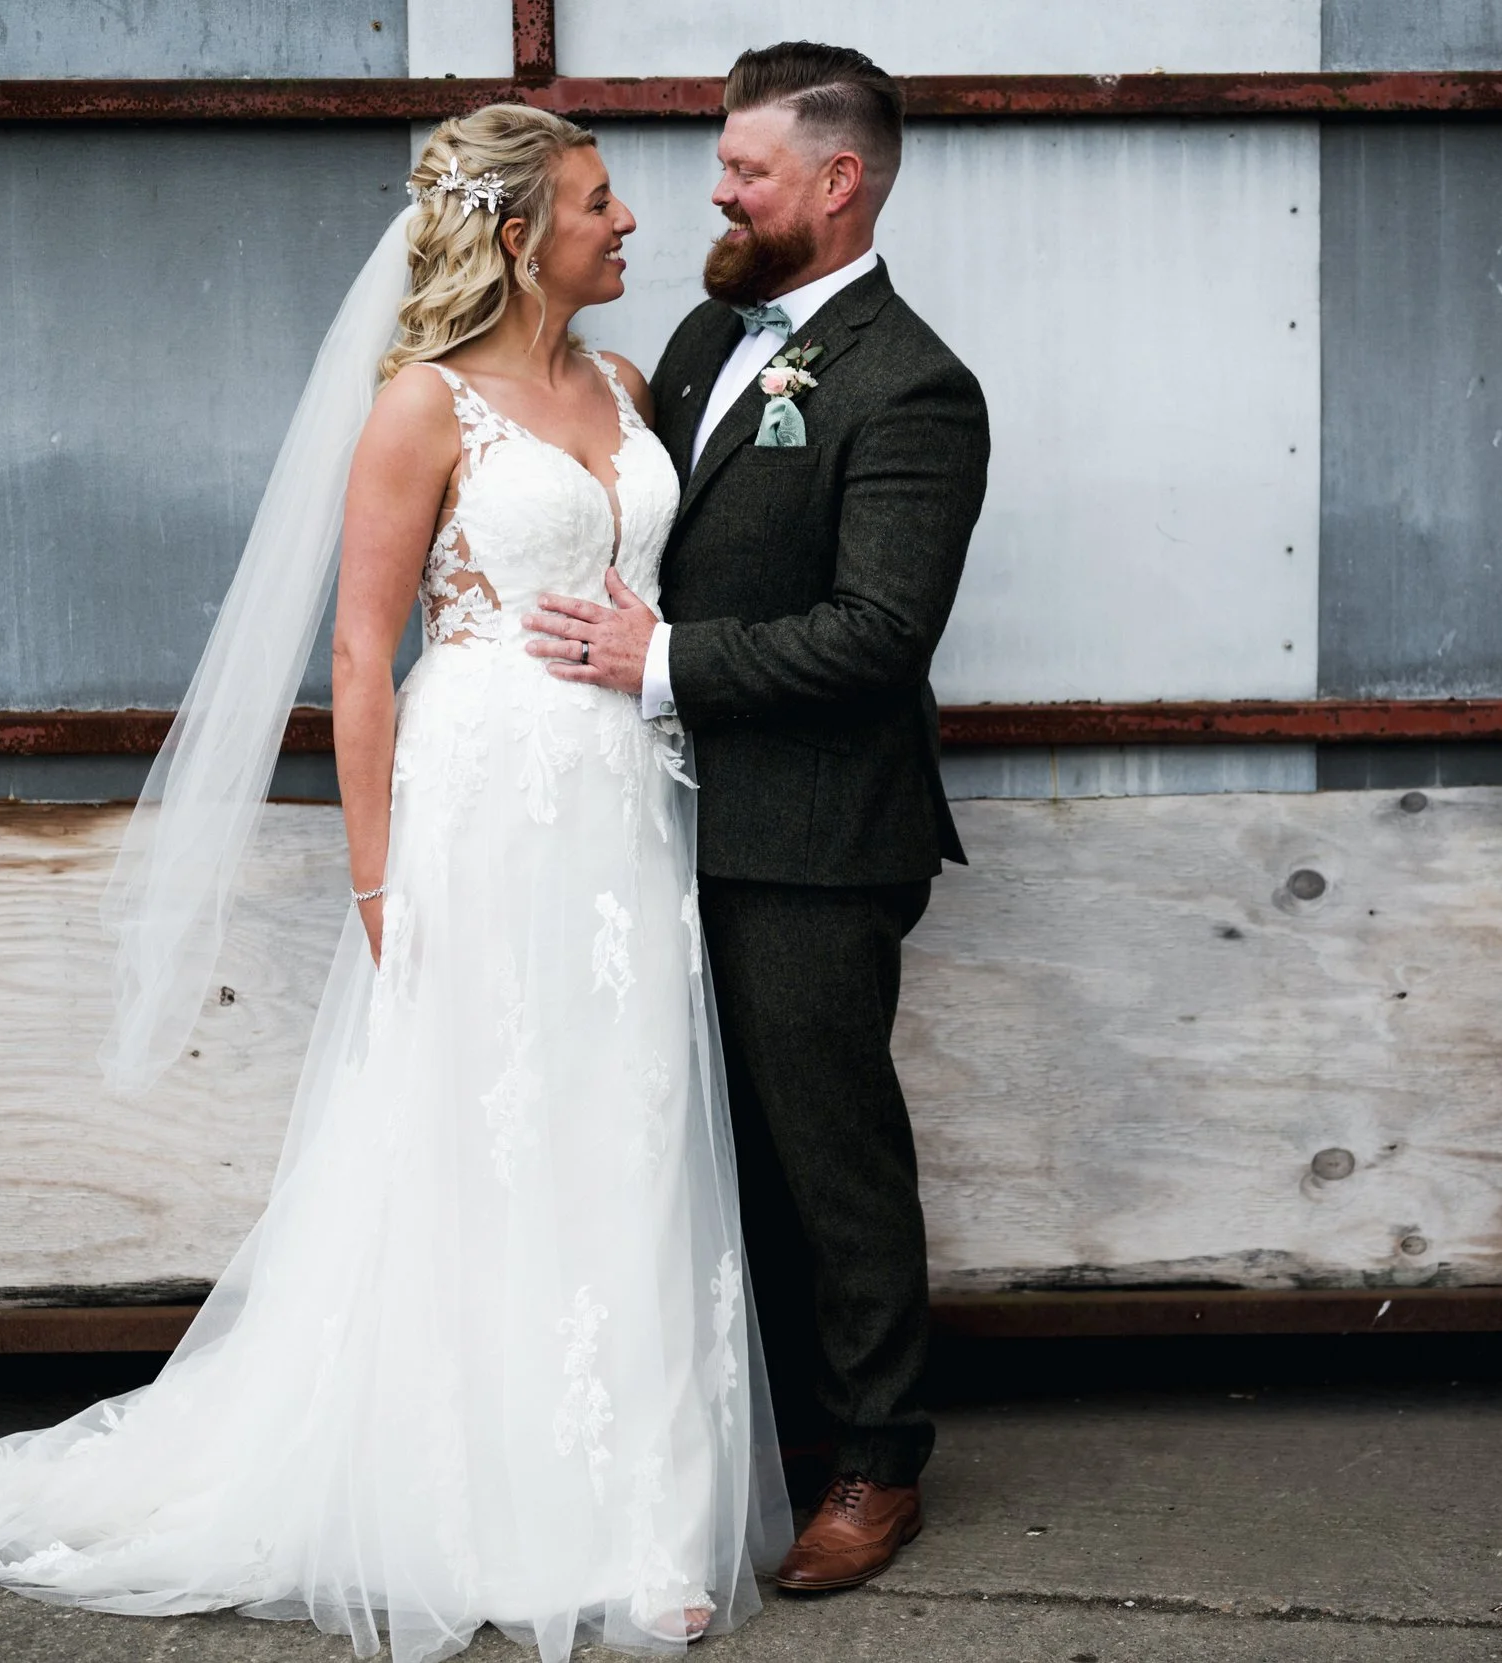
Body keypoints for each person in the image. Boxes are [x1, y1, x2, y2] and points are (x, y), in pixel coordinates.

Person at [0, 106, 788, 1663]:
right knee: (492, 1128)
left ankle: (642, 1508)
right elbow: (360, 651)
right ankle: (496, 1510)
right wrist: (376, 874)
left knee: (631, 1118)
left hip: (623, 807)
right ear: (523, 234)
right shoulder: (422, 406)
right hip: (483, 805)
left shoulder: (619, 381)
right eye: (602, 203)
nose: (632, 225)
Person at [524, 41, 990, 1592]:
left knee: (827, 1149)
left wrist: (660, 663)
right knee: (699, 1145)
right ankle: (761, 1428)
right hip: (656, 820)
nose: (713, 192)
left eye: (746, 171)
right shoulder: (709, 325)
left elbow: (878, 633)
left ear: (838, 182)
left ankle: (876, 1459)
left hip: (814, 835)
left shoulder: (915, 385)